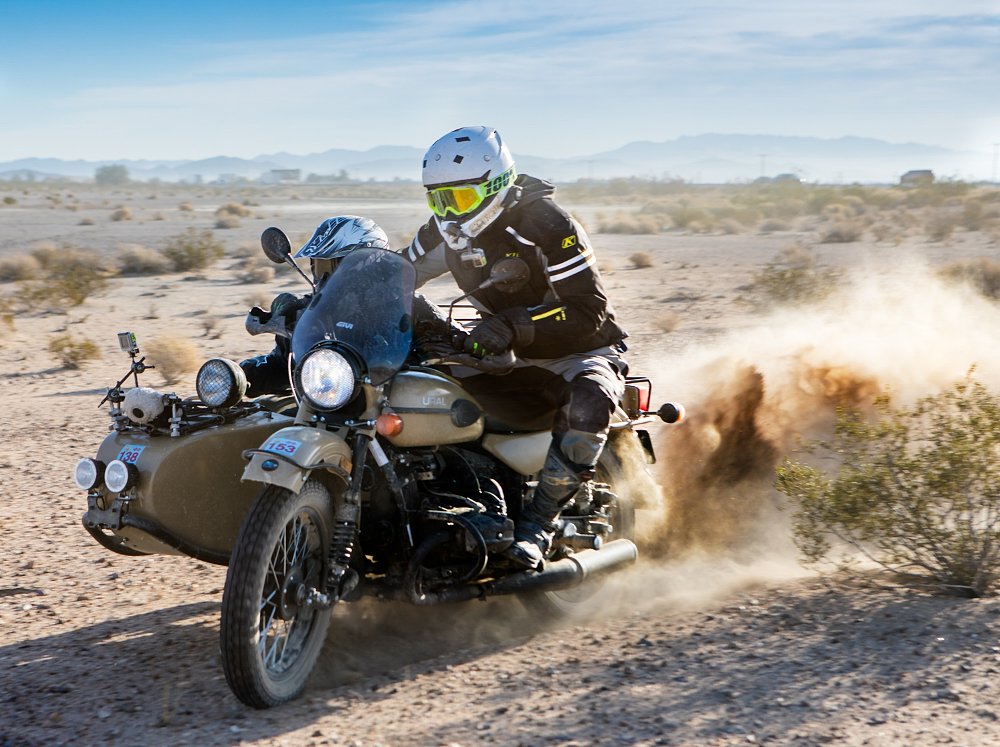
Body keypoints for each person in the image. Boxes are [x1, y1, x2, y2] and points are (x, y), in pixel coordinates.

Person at [403, 125, 628, 570]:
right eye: (438, 199)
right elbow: (396, 276)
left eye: (459, 199)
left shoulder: (546, 224)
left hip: (577, 351)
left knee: (588, 402)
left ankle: (538, 526)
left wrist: (515, 324)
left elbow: (589, 311)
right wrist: (331, 294)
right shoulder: (442, 234)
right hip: (496, 349)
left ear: (495, 185)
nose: (448, 212)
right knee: (414, 387)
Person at [239, 215, 391, 395]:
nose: (324, 277)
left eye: (332, 267)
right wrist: (243, 375)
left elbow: (430, 349)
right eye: (319, 267)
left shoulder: (403, 306)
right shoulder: (306, 311)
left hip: (388, 403)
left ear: (367, 263)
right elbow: (283, 365)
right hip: (324, 402)